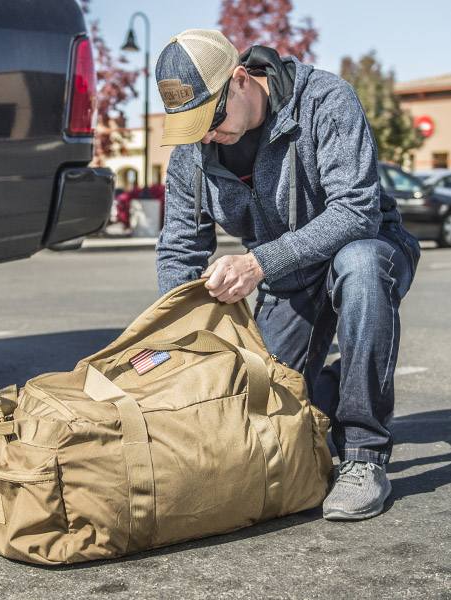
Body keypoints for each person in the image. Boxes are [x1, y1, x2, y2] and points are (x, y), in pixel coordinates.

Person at [154, 29, 421, 520]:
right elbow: (179, 247)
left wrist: (257, 264)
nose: (207, 136)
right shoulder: (193, 150)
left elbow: (356, 211)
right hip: (288, 277)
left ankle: (364, 454)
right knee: (259, 414)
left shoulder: (324, 100)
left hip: (367, 247)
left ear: (239, 80)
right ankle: (340, 388)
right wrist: (174, 341)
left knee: (359, 263)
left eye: (210, 119)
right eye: (191, 127)